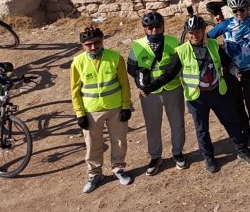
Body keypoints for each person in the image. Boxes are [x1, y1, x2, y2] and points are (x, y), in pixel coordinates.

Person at [156, 15, 250, 174]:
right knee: (202, 130)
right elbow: (168, 74)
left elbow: (226, 62)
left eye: (197, 32)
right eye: (190, 33)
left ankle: (242, 150)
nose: (193, 36)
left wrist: (235, 71)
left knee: (231, 122)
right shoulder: (181, 51)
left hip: (218, 92)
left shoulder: (213, 45)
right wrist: (149, 87)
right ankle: (209, 157)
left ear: (204, 31)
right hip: (197, 97)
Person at [72, 26, 134, 193]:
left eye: (97, 43)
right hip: (91, 110)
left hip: (115, 108)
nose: (93, 47)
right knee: (93, 144)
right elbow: (75, 90)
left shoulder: (115, 57)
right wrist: (79, 113)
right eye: (88, 44)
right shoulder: (77, 62)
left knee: (119, 140)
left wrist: (126, 106)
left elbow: (124, 84)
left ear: (102, 41)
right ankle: (94, 174)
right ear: (82, 45)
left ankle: (118, 169)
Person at [127, 12, 187, 174]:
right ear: (144, 29)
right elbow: (131, 67)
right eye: (150, 28)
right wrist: (140, 83)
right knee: (152, 126)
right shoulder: (137, 45)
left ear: (163, 27)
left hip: (172, 89)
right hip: (149, 94)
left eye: (157, 27)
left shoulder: (173, 42)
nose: (154, 30)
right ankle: (155, 156)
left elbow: (176, 67)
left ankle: (178, 152)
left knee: (177, 123)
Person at [208, 0, 250, 141]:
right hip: (232, 70)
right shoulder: (226, 24)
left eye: (242, 10)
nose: (239, 13)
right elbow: (207, 37)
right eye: (235, 11)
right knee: (236, 101)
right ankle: (245, 129)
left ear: (248, 9)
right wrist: (218, 49)